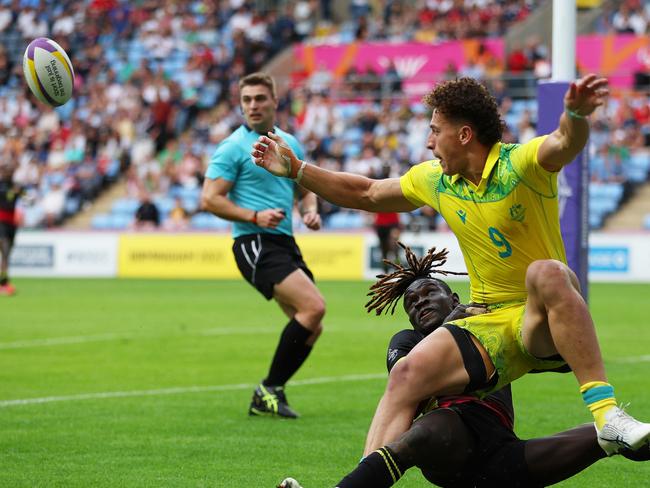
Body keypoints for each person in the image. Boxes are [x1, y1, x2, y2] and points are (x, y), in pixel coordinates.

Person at [251, 75, 650, 451]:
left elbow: (564, 141)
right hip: (485, 321)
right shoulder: (436, 180)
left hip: (536, 323)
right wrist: (298, 170)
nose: (428, 142)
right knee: (405, 375)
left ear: (463, 135)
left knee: (546, 272)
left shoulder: (522, 164)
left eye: (434, 130)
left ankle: (606, 416)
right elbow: (368, 193)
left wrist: (575, 115)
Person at [279, 245, 650, 488]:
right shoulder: (407, 344)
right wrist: (449, 326)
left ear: (454, 296)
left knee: (605, 436)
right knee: (429, 428)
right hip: (449, 448)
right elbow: (406, 384)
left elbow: (556, 362)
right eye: (412, 302)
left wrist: (552, 328)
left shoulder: (488, 335)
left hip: (503, 454)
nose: (420, 302)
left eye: (429, 293)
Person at [200, 72, 325, 419]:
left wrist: (310, 213)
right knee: (314, 307)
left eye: (259, 99)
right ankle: (268, 389)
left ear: (275, 101)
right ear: (241, 105)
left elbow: (305, 190)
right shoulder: (232, 147)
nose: (253, 106)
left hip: (285, 240)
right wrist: (254, 216)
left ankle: (269, 395)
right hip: (253, 242)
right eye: (247, 100)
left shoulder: (290, 144)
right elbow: (209, 199)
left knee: (312, 324)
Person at [0, 161, 20, 296]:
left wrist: (18, 193)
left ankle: (4, 282)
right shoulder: (2, 187)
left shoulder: (15, 186)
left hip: (11, 224)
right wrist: (14, 193)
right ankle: (3, 284)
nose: (9, 172)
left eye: (11, 170)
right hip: (1, 222)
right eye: (7, 170)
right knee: (5, 250)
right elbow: (6, 204)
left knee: (6, 255)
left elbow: (28, 199)